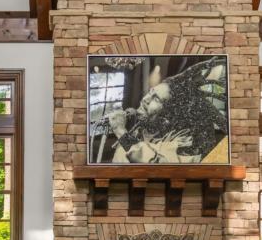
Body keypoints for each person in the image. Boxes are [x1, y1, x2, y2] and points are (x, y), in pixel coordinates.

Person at [94, 58, 227, 164]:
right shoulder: (143, 131)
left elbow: (156, 164)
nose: (145, 99)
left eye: (156, 99)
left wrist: (120, 132)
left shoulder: (187, 143)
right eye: (150, 93)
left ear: (170, 113)